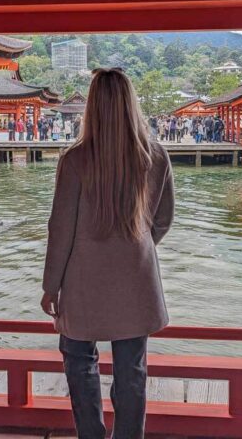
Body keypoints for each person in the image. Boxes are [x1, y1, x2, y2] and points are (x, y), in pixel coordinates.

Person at [41, 68, 174, 438]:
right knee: (131, 371)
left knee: (80, 361)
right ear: (132, 104)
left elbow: (60, 230)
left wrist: (51, 285)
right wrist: (134, 250)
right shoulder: (155, 156)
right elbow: (161, 221)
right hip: (137, 279)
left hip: (83, 280)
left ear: (92, 107)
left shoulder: (75, 160)